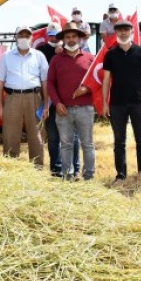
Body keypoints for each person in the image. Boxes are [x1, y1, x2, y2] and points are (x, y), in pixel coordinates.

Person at [101, 20, 141, 182]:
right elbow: (106, 81)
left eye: (126, 30)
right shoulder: (110, 54)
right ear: (115, 33)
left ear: (132, 32)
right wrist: (104, 103)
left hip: (139, 102)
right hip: (117, 103)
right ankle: (121, 175)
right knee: (119, 142)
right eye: (120, 30)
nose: (123, 33)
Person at [47, 22, 96, 181]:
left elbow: (97, 80)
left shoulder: (90, 58)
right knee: (66, 144)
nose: (71, 39)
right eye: (67, 37)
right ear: (63, 40)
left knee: (87, 144)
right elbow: (50, 83)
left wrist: (87, 89)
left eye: (74, 36)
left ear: (79, 38)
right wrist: (57, 103)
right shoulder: (56, 59)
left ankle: (88, 176)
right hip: (64, 109)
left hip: (85, 108)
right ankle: (67, 175)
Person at [0, 26, 49, 166]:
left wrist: (46, 105)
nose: (24, 38)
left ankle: (37, 167)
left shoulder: (39, 56)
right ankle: (11, 167)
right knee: (10, 134)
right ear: (16, 37)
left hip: (34, 97)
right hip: (13, 98)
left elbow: (45, 82)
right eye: (21, 35)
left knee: (36, 133)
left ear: (32, 38)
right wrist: (0, 107)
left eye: (27, 35)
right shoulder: (6, 56)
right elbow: (0, 82)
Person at [37, 22, 80, 176]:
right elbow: (47, 79)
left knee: (72, 137)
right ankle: (56, 168)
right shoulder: (41, 50)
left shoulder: (70, 50)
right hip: (50, 99)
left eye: (56, 35)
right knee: (53, 136)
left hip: (70, 101)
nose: (54, 38)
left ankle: (74, 169)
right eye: (51, 35)